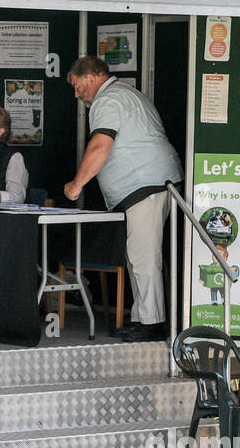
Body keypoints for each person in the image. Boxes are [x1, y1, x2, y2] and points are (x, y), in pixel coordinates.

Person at [62, 55, 181, 342]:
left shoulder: (108, 100)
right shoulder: (129, 93)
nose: (76, 94)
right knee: (138, 254)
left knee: (143, 255)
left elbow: (100, 145)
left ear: (90, 78)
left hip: (144, 183)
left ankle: (152, 324)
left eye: (77, 86)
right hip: (154, 181)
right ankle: (142, 319)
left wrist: (77, 184)